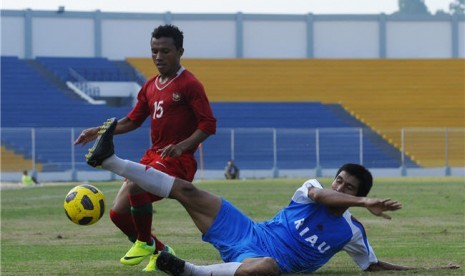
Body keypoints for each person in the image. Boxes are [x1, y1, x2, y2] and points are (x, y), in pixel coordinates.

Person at [84, 119, 459, 275]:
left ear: (360, 195)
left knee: (265, 269)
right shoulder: (309, 191)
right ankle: (109, 159)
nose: (341, 188)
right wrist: (363, 203)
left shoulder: (353, 233)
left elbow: (373, 267)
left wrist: (428, 270)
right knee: (187, 190)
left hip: (262, 259)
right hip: (247, 230)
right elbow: (322, 195)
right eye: (340, 181)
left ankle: (188, 270)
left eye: (350, 188)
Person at [74, 24, 216, 272]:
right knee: (118, 214)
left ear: (180, 51)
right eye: (154, 51)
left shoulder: (189, 84)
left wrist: (183, 146)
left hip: (178, 162)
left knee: (135, 183)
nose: (158, 57)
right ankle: (161, 251)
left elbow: (208, 124)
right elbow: (131, 120)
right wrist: (97, 130)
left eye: (165, 51)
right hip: (154, 156)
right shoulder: (150, 86)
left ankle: (142, 241)